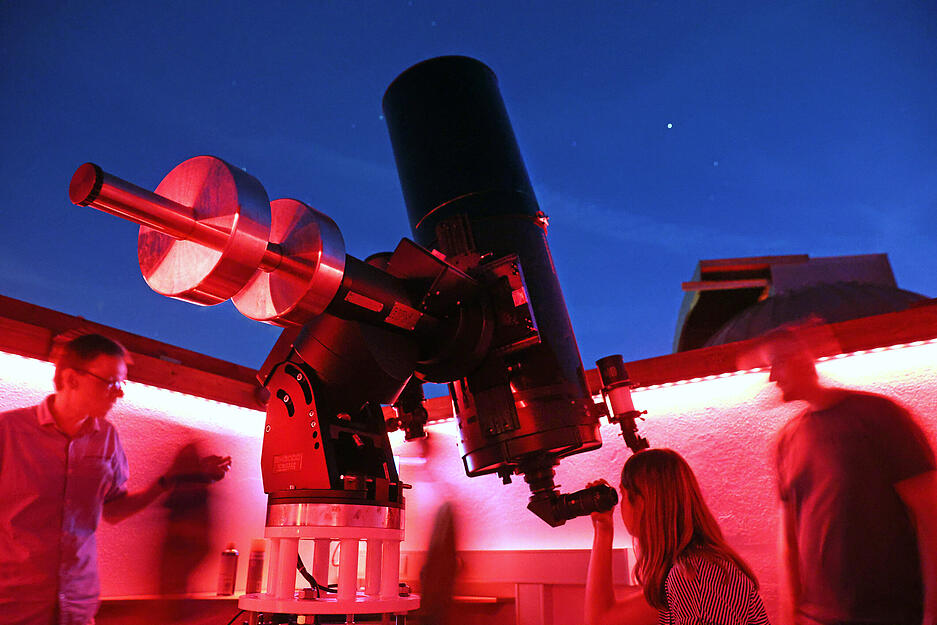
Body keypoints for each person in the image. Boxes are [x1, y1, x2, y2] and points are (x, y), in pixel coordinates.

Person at [0, 333, 232, 625]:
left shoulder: (107, 439)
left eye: (122, 384)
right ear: (72, 379)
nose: (119, 394)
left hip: (77, 605)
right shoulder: (8, 432)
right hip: (12, 606)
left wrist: (172, 479)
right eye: (111, 382)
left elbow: (114, 510)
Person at [758, 325, 937, 625]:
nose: (772, 377)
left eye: (777, 363)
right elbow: (788, 540)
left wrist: (932, 611)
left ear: (803, 359)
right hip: (817, 618)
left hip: (889, 615)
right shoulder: (786, 440)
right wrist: (790, 616)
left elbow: (931, 518)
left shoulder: (880, 417)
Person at [585, 448, 770, 625]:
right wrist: (603, 529)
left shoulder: (694, 577)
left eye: (623, 494)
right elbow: (603, 620)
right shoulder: (687, 573)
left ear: (642, 502)